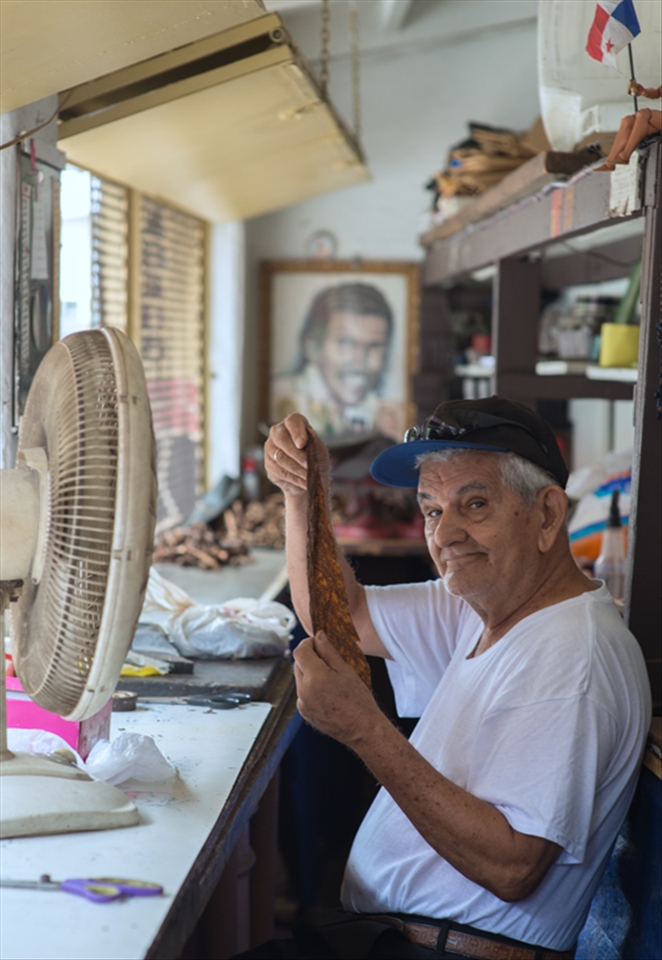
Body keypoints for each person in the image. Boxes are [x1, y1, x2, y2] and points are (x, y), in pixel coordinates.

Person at [241, 397, 650, 960]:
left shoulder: (572, 654)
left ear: (548, 514)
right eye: (431, 510)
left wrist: (365, 729)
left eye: (474, 504)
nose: (446, 534)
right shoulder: (480, 604)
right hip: (390, 939)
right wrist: (302, 495)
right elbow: (342, 621)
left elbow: (514, 868)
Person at [271, 283, 403, 440]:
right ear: (313, 346)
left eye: (374, 346)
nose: (360, 361)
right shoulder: (282, 396)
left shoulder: (383, 414)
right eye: (346, 342)